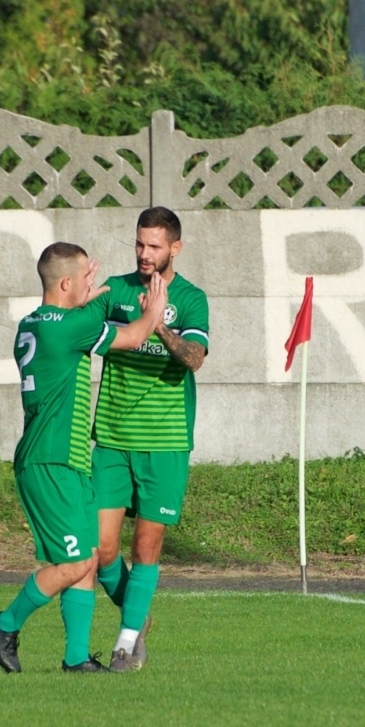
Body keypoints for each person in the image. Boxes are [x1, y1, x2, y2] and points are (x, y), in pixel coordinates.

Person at [0, 242, 165, 674]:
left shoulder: (37, 322)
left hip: (70, 461)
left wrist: (92, 294)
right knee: (76, 563)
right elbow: (137, 334)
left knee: (86, 561)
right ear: (65, 283)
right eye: (84, 277)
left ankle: (76, 659)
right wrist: (156, 306)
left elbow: (79, 310)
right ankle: (5, 623)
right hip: (50, 462)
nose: (91, 282)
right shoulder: (66, 327)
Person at [92, 207, 210, 672]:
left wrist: (157, 322)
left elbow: (194, 358)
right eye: (139, 244)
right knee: (100, 549)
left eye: (155, 246)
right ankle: (137, 616)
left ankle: (126, 643)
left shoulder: (192, 298)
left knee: (145, 548)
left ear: (175, 248)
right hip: (113, 438)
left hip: (165, 441)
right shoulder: (116, 292)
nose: (144, 254)